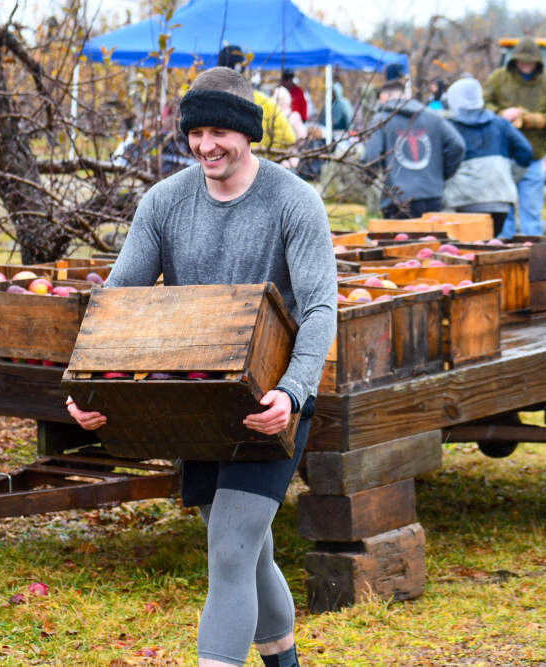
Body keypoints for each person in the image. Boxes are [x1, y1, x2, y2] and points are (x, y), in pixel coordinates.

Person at [66, 66, 337, 667]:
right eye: (195, 132)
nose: (205, 145)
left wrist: (292, 393)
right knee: (248, 550)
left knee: (233, 552)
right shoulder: (164, 203)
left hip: (270, 403)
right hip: (197, 402)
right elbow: (119, 302)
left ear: (248, 134)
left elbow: (319, 308)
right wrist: (88, 384)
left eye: (220, 131)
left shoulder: (295, 202)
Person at [483, 36, 546, 237]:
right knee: (504, 212)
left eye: (530, 62)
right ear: (515, 60)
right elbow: (484, 103)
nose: (526, 65)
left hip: (533, 155)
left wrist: (538, 119)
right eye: (522, 61)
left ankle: (535, 254)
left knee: (531, 211)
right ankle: (503, 253)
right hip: (503, 156)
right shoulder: (498, 78)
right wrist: (501, 114)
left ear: (537, 62)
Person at [362, 63, 465, 219]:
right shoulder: (432, 116)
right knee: (431, 242)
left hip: (397, 200)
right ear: (404, 95)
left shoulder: (381, 119)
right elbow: (458, 145)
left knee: (400, 242)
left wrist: (367, 179)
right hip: (432, 196)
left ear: (383, 97)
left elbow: (370, 157)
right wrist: (440, 174)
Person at [443, 77, 533, 238]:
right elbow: (525, 151)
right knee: (488, 243)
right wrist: (510, 176)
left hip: (464, 200)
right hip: (500, 200)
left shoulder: (450, 127)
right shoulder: (501, 125)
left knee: (468, 248)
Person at [218, 45, 296, 151]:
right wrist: (266, 155)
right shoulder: (265, 102)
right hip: (260, 165)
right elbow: (289, 139)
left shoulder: (213, 103)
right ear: (244, 70)